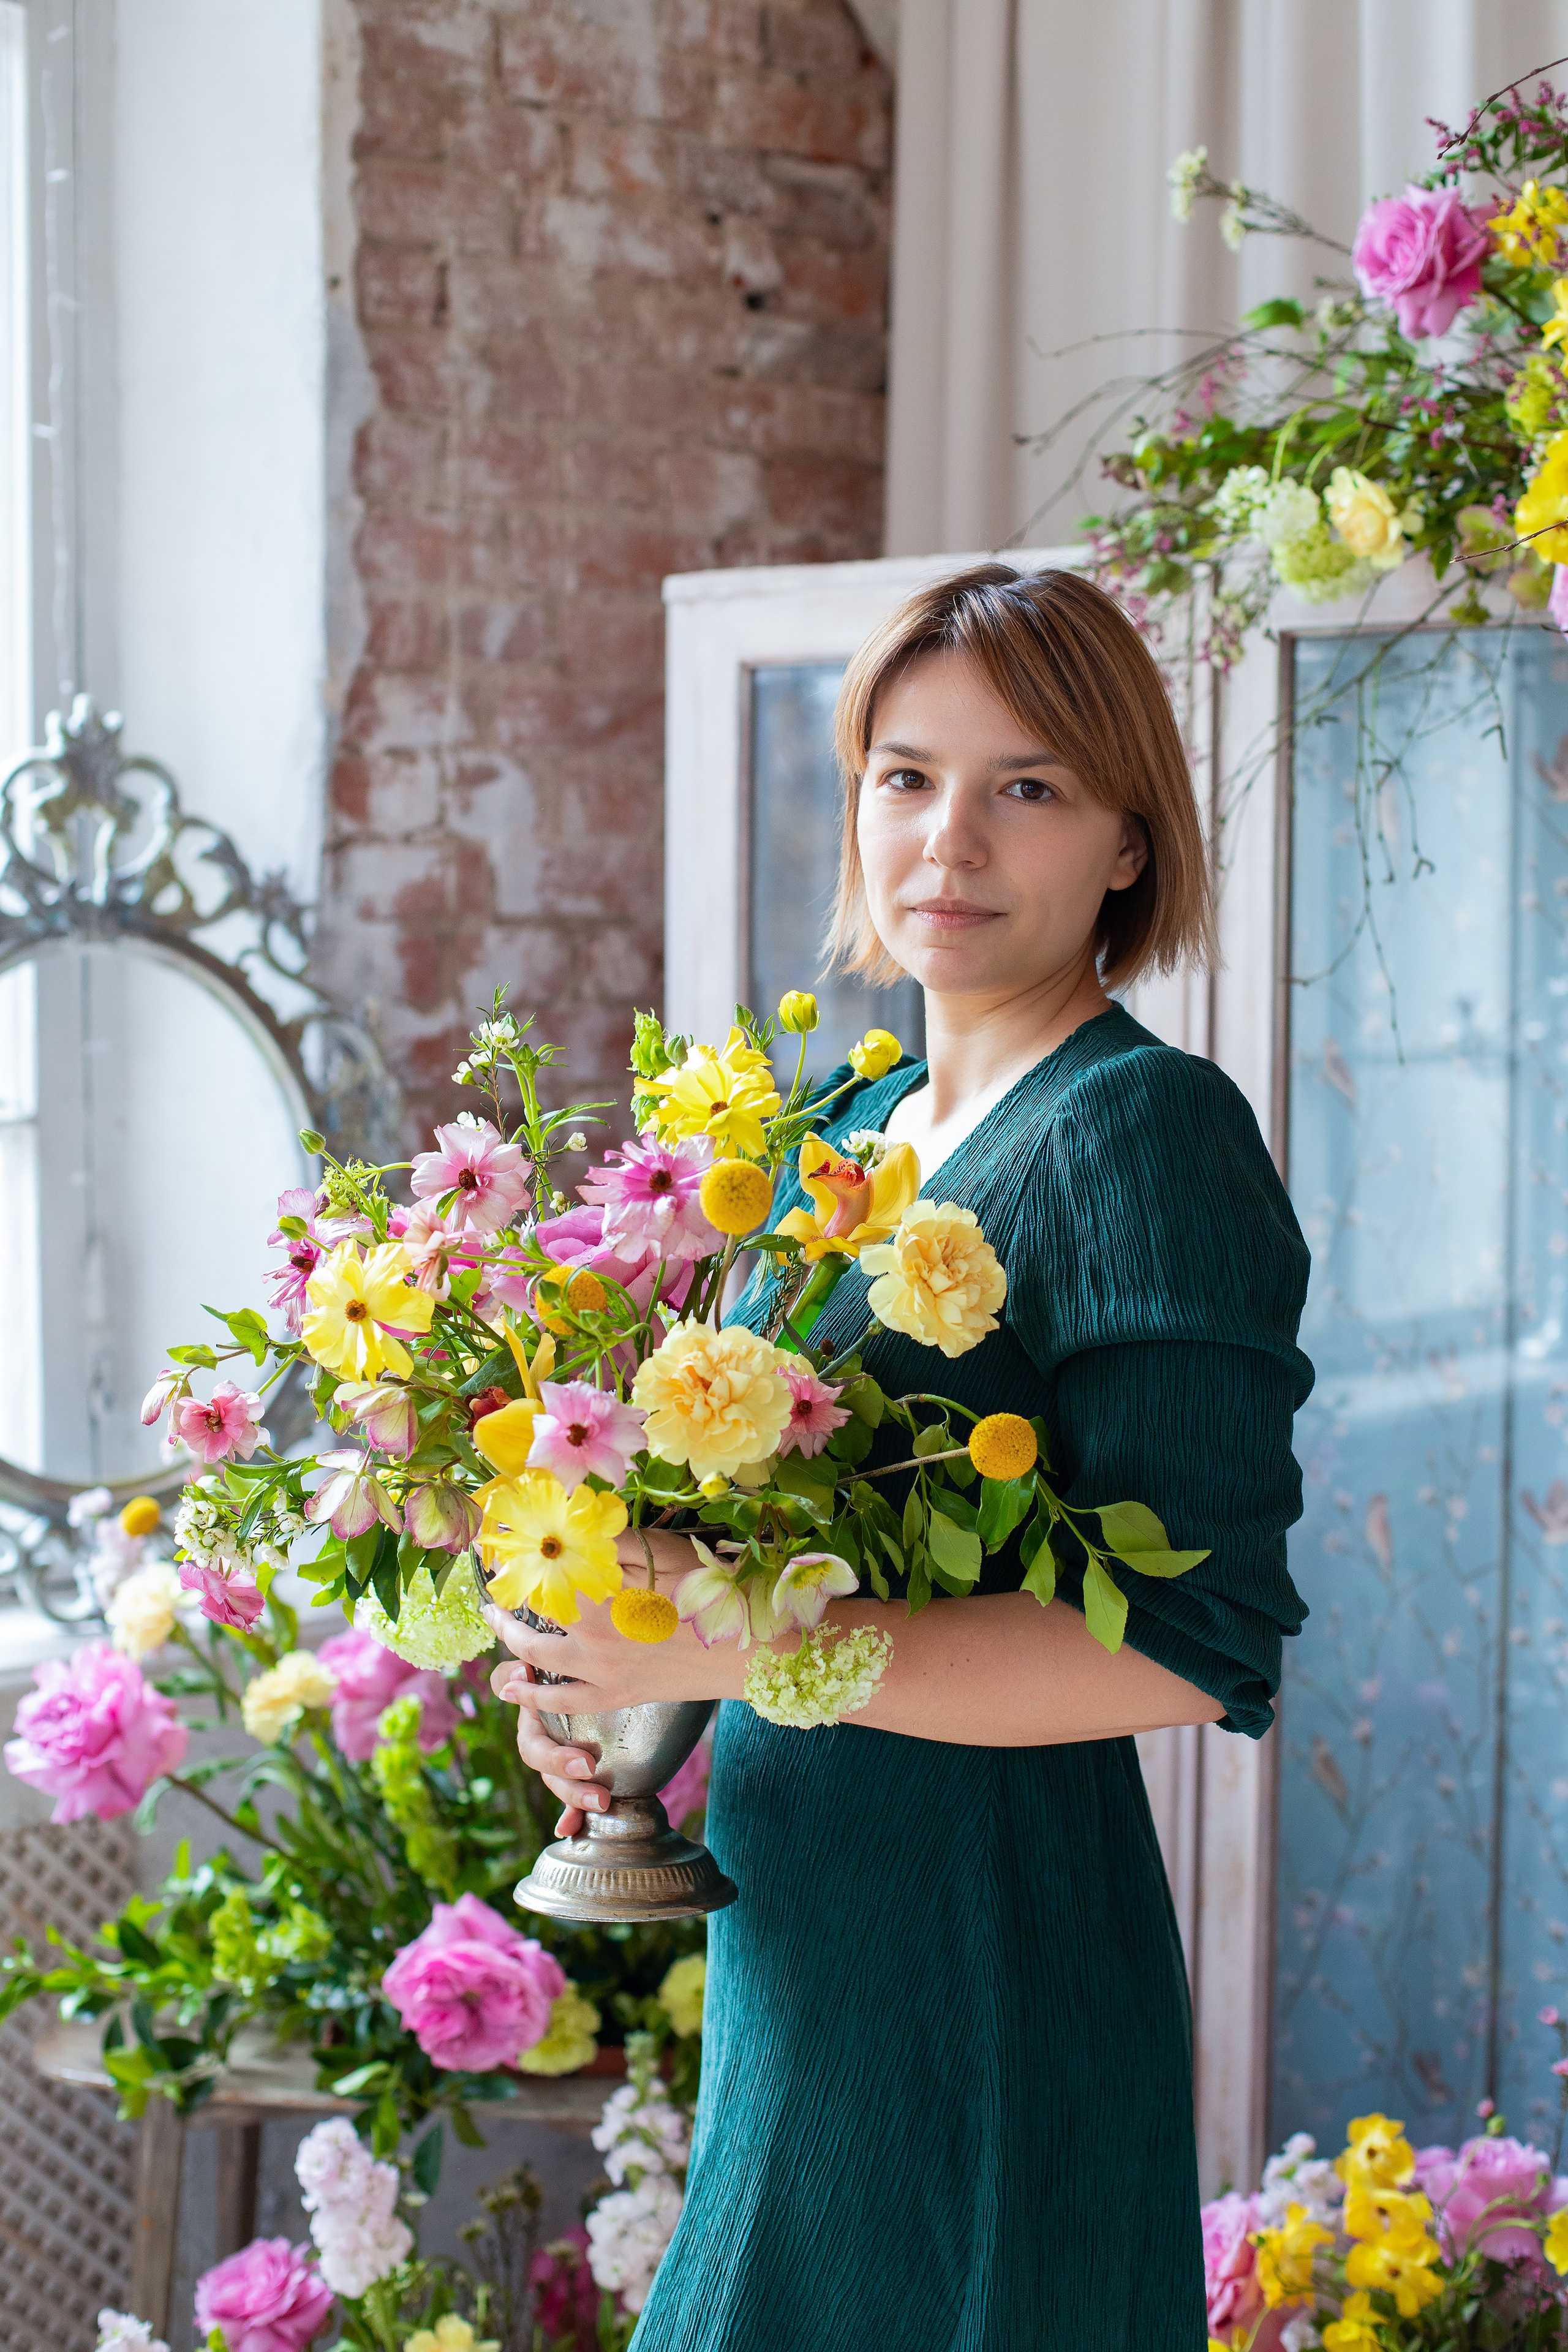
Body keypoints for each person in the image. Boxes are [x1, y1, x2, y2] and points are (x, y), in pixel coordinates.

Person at [486, 564, 1313, 2350]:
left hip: (991, 1945)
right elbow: (757, 1540)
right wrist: (612, 1693)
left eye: (1028, 786)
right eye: (907, 774)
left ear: (1124, 841)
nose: (952, 835)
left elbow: (1190, 1641)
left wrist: (727, 1650)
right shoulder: (844, 1130)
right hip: (804, 1926)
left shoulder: (1143, 1134)